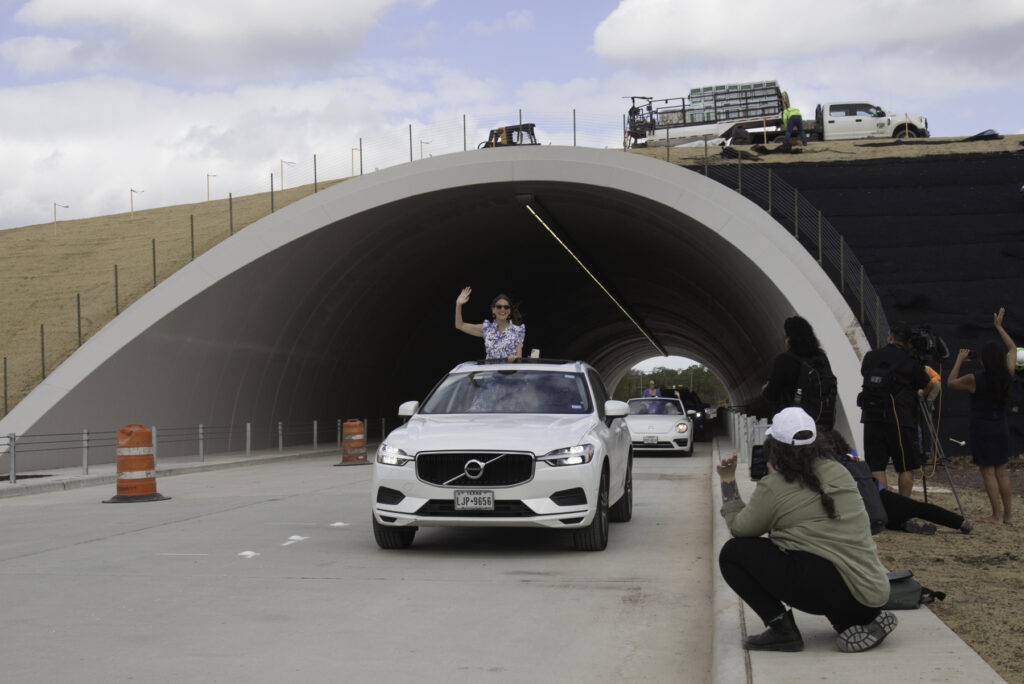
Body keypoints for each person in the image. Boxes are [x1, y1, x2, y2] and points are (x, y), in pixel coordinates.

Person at [717, 407, 896, 653]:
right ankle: (858, 622)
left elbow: (740, 528)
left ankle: (782, 630)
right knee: (826, 553)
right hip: (870, 591)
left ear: (773, 446)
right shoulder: (839, 470)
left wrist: (728, 482)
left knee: (733, 553)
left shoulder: (774, 485)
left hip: (828, 590)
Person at [824, 430, 973, 535]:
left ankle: (900, 523)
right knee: (918, 508)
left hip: (858, 509)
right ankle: (959, 522)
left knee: (893, 515)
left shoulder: (827, 465)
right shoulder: (851, 456)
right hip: (878, 497)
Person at [947, 307, 1016, 525]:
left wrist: (959, 359)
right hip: (1001, 425)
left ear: (984, 361)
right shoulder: (1007, 374)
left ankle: (995, 515)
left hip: (982, 428)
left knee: (988, 472)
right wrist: (999, 327)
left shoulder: (973, 379)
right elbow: (1013, 347)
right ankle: (1008, 516)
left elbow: (949, 383)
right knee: (1002, 472)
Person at [859, 322, 932, 497]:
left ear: (890, 336)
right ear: (909, 342)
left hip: (873, 416)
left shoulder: (871, 356)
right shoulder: (911, 362)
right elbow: (927, 384)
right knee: (905, 466)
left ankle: (883, 507)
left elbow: (865, 374)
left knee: (876, 466)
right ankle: (903, 509)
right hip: (901, 418)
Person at [762, 315, 831, 419]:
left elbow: (771, 394)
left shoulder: (784, 360)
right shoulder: (821, 358)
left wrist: (765, 388)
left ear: (790, 338)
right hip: (819, 420)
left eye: (786, 336)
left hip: (792, 423)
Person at [454, 287, 525, 360]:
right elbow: (459, 325)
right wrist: (458, 304)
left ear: (509, 311)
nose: (502, 309)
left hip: (509, 370)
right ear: (493, 310)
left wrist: (513, 359)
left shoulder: (517, 331)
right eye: (499, 307)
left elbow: (519, 359)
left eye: (506, 307)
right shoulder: (486, 329)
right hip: (490, 370)